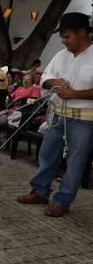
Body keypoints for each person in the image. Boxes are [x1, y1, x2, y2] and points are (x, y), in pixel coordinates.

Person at [17, 12, 93, 217]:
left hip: (84, 120)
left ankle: (63, 201)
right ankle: (40, 191)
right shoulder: (61, 55)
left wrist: (74, 94)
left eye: (67, 36)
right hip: (57, 114)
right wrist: (53, 83)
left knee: (75, 163)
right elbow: (46, 76)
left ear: (81, 33)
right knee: (47, 155)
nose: (63, 41)